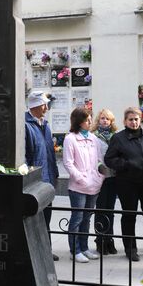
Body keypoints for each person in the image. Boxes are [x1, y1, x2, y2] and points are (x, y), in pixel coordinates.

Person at [105, 107, 143, 262]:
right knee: (129, 215)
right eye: (131, 119)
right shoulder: (118, 138)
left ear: (140, 120)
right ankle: (130, 248)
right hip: (127, 183)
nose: (134, 122)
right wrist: (127, 164)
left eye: (136, 119)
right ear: (125, 121)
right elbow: (109, 159)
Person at [63, 108, 105, 263]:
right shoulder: (71, 138)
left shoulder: (93, 138)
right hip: (78, 187)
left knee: (87, 218)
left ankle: (84, 248)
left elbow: (99, 161)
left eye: (90, 119)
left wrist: (99, 177)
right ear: (78, 121)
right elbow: (68, 163)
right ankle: (75, 250)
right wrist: (81, 179)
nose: (90, 122)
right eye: (87, 119)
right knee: (77, 218)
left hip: (94, 185)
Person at [25, 91, 59, 261]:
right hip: (35, 181)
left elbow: (49, 153)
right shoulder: (25, 125)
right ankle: (34, 252)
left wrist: (55, 175)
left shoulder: (45, 124)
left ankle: (46, 250)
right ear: (35, 106)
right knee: (34, 220)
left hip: (47, 179)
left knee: (47, 218)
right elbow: (25, 155)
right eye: (44, 104)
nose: (47, 108)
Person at [91, 109, 118, 255]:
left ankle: (110, 239)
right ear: (98, 120)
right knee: (100, 209)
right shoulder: (94, 137)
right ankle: (100, 240)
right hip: (99, 176)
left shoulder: (116, 136)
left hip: (113, 177)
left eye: (108, 119)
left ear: (112, 121)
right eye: (102, 118)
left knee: (110, 210)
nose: (105, 121)